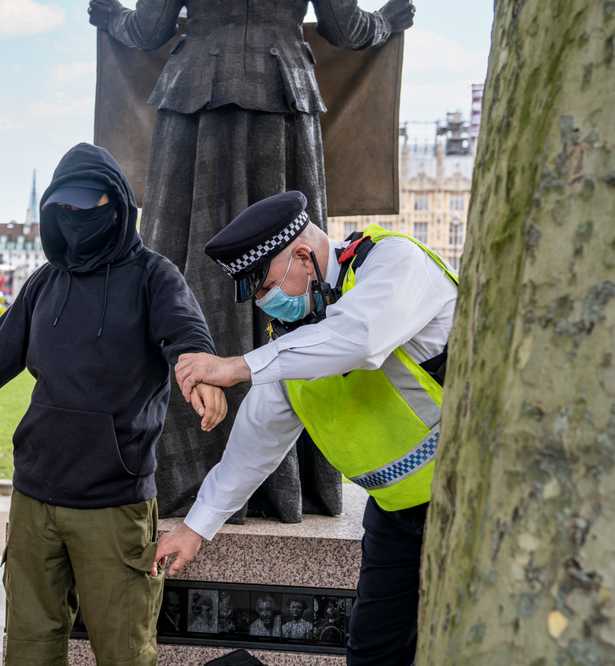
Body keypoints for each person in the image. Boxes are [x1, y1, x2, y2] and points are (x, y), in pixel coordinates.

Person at [0, 143, 226, 666]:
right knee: (29, 649)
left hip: (113, 506)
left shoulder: (153, 276)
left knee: (125, 653)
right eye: (62, 210)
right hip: (34, 499)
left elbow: (187, 335)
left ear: (116, 207)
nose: (74, 220)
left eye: (86, 208)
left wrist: (201, 372)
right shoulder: (44, 283)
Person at [88, 0, 417, 524]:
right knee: (294, 267)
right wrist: (390, 21)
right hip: (281, 103)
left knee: (186, 266)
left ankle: (175, 469)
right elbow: (345, 28)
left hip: (195, 105)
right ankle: (288, 485)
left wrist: (110, 18)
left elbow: (147, 29)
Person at [154, 190, 458, 666]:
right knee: (373, 654)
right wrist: (193, 530)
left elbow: (359, 338)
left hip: (469, 495)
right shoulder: (292, 343)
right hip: (397, 516)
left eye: (268, 287)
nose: (267, 306)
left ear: (302, 255)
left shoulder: (394, 261)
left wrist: (233, 367)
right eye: (256, 297)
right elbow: (253, 446)